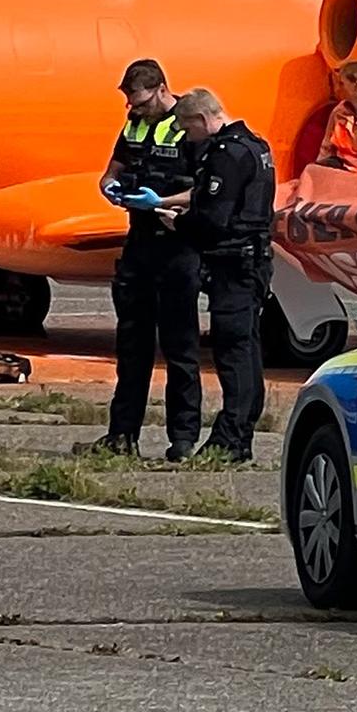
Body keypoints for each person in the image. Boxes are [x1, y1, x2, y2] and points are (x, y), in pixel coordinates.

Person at [88, 59, 202, 461]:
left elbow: (206, 190)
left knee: (180, 348)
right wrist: (111, 188)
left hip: (176, 245)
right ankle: (122, 435)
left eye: (138, 102)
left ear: (159, 90)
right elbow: (110, 171)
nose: (133, 111)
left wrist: (163, 202)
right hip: (139, 244)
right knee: (132, 347)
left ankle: (184, 439)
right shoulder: (133, 125)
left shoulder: (189, 122)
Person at [154, 88, 274, 462]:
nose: (188, 138)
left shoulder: (226, 155)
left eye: (188, 130)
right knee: (249, 350)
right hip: (254, 260)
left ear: (202, 121)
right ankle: (240, 432)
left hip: (234, 262)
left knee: (234, 351)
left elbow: (213, 217)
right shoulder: (256, 145)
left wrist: (179, 224)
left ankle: (231, 438)